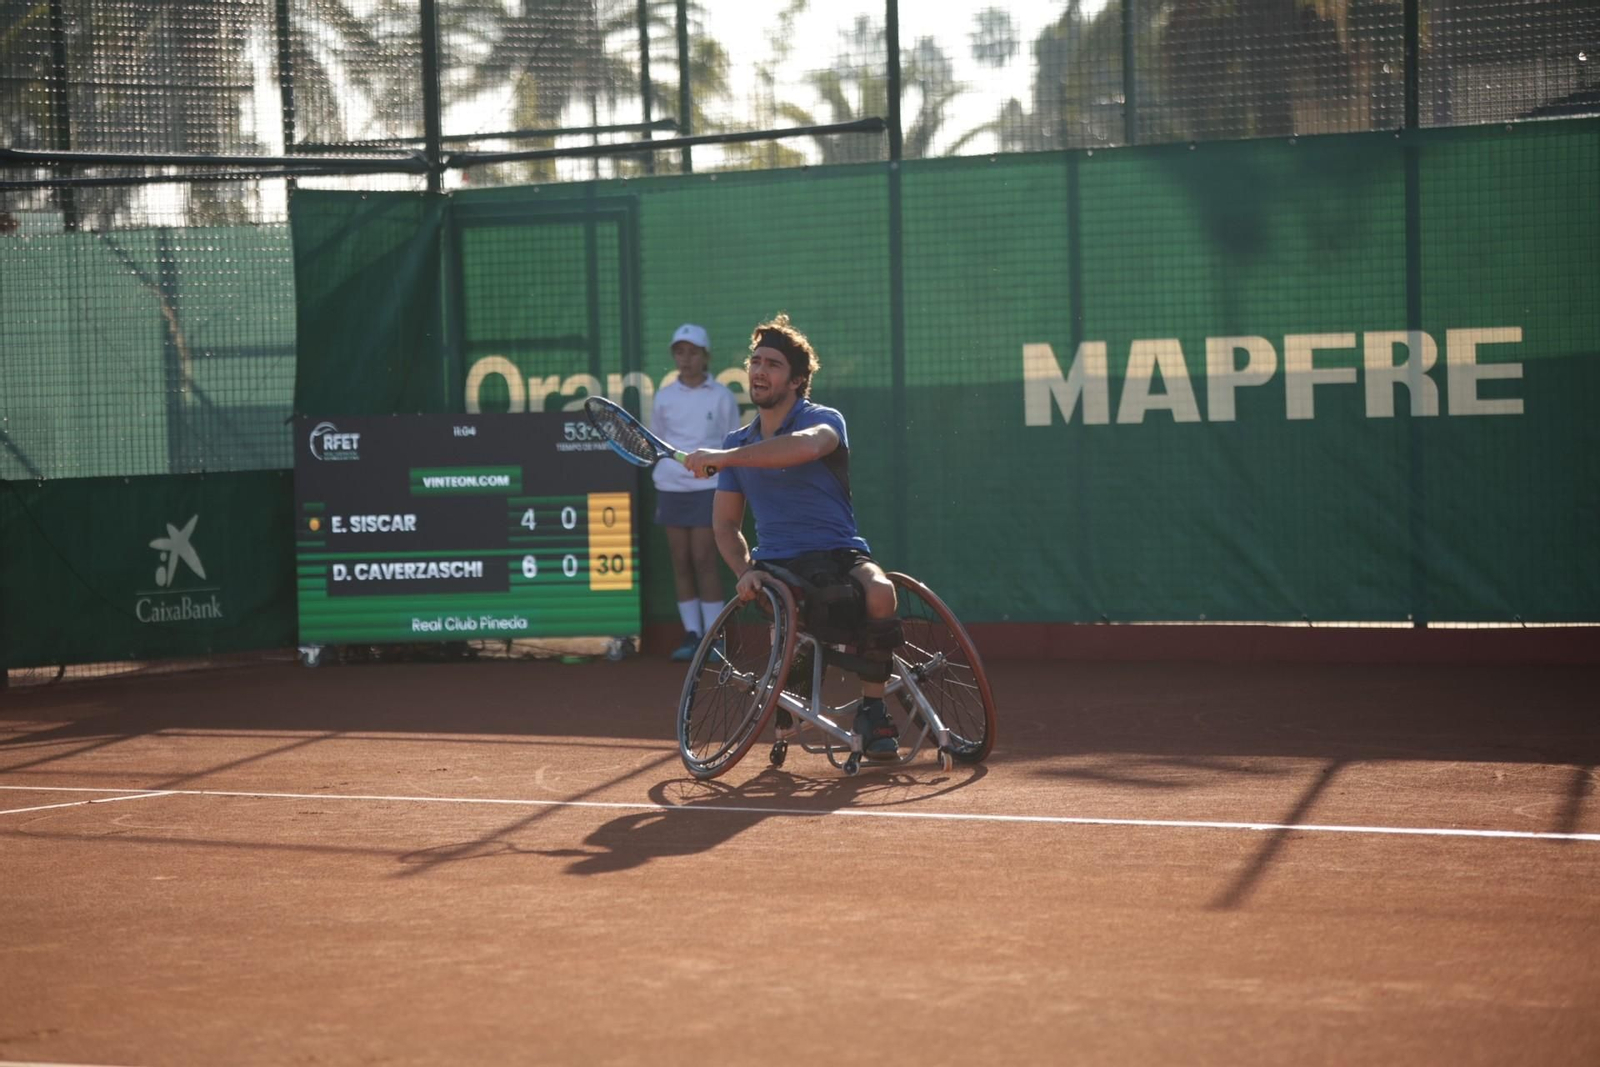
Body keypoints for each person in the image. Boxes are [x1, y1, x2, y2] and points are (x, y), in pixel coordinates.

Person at [683, 314, 903, 760]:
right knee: (796, 612)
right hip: (779, 566)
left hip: (841, 554)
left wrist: (724, 458)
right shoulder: (738, 442)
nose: (759, 371)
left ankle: (874, 711)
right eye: (755, 361)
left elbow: (803, 447)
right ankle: (792, 696)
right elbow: (725, 526)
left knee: (881, 592)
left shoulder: (825, 421)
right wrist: (744, 571)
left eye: (773, 365)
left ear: (798, 380)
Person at [652, 323, 742, 662]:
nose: (685, 358)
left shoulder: (720, 396)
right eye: (679, 352)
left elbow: (730, 443)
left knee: (705, 559)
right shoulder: (664, 397)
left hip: (708, 487)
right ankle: (692, 635)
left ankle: (714, 638)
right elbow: (660, 438)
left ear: (705, 356)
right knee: (681, 560)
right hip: (672, 486)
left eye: (692, 352)